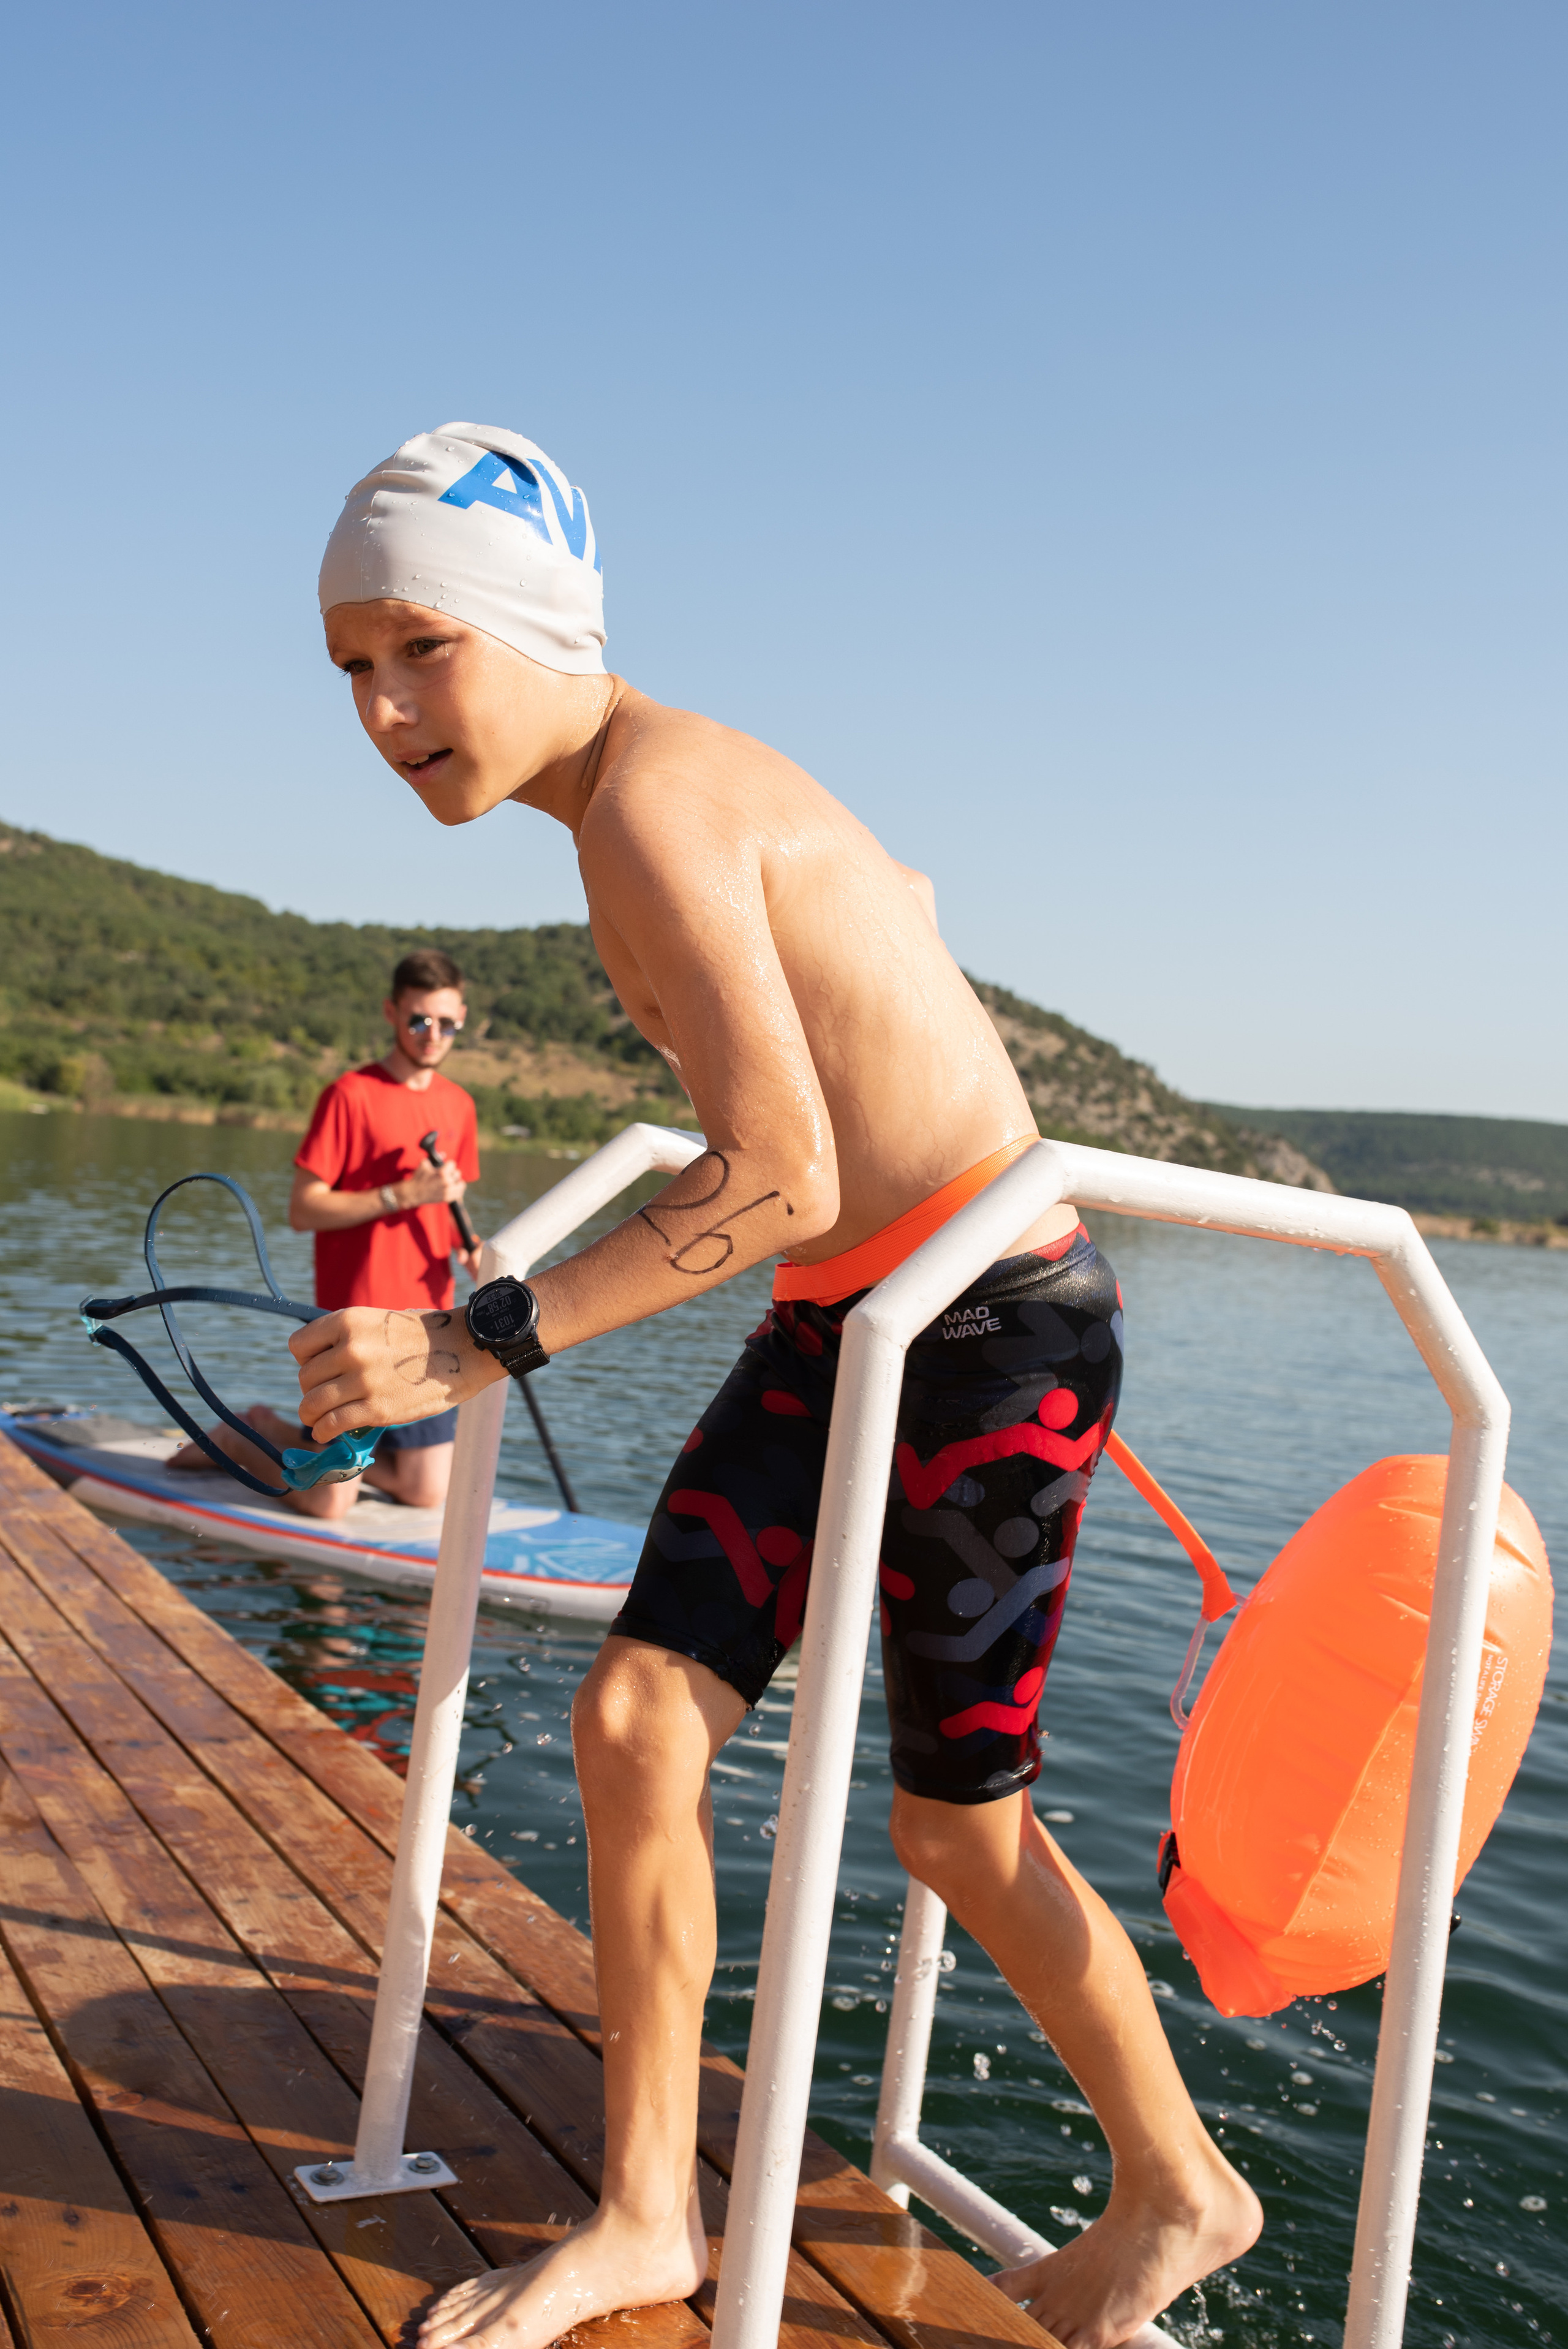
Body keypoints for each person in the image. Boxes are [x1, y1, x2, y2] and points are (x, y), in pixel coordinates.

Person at [293, 423, 1261, 2349]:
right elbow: (884, 893)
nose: (388, 710)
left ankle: (1184, 2187)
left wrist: (470, 1339)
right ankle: (648, 2215)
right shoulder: (657, 794)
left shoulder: (655, 802)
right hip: (852, 1320)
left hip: (984, 1330)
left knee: (953, 1830)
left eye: (421, 649)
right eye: (352, 673)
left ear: (536, 628)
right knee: (642, 1726)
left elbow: (780, 1175)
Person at [168, 949, 480, 1517]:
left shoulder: (460, 1106)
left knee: (426, 1490)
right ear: (391, 1012)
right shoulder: (349, 1095)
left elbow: (450, 1208)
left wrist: (473, 1248)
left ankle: (296, 1443)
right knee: (331, 1505)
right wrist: (400, 1194)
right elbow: (303, 1209)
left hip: (429, 1323)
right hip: (358, 1321)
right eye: (419, 1020)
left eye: (448, 1023)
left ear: (463, 1018)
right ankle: (248, 1434)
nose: (433, 1035)